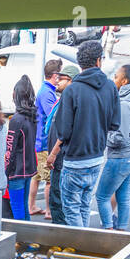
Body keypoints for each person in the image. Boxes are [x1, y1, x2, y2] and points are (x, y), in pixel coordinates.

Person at [50, 40, 119, 227]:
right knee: (83, 207)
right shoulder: (111, 87)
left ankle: (78, 253)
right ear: (98, 61)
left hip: (74, 161)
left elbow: (63, 131)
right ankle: (82, 250)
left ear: (80, 63)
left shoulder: (72, 90)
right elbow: (115, 123)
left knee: (71, 210)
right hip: (96, 158)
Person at [96, 65, 130, 231]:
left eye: (116, 76)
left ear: (124, 81)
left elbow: (119, 137)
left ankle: (109, 231)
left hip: (122, 156)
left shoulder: (125, 104)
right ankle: (121, 231)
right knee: (123, 197)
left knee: (102, 196)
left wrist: (103, 137)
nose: (113, 79)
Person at [44, 64, 78, 224]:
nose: (57, 81)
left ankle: (61, 238)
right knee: (57, 199)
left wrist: (53, 154)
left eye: (61, 78)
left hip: (62, 160)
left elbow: (65, 132)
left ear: (70, 81)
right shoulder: (63, 100)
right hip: (58, 160)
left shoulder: (69, 101)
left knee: (59, 202)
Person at [32, 59, 64, 216]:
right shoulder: (47, 93)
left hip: (39, 140)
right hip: (44, 142)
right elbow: (52, 117)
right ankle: (49, 210)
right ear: (55, 75)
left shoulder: (46, 90)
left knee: (37, 176)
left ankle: (32, 206)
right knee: (49, 180)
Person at [4, 76, 38, 221]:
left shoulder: (16, 120)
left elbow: (10, 150)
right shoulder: (32, 116)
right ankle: (28, 240)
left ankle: (21, 239)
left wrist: (6, 171)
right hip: (29, 169)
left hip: (16, 171)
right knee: (24, 206)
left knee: (17, 206)